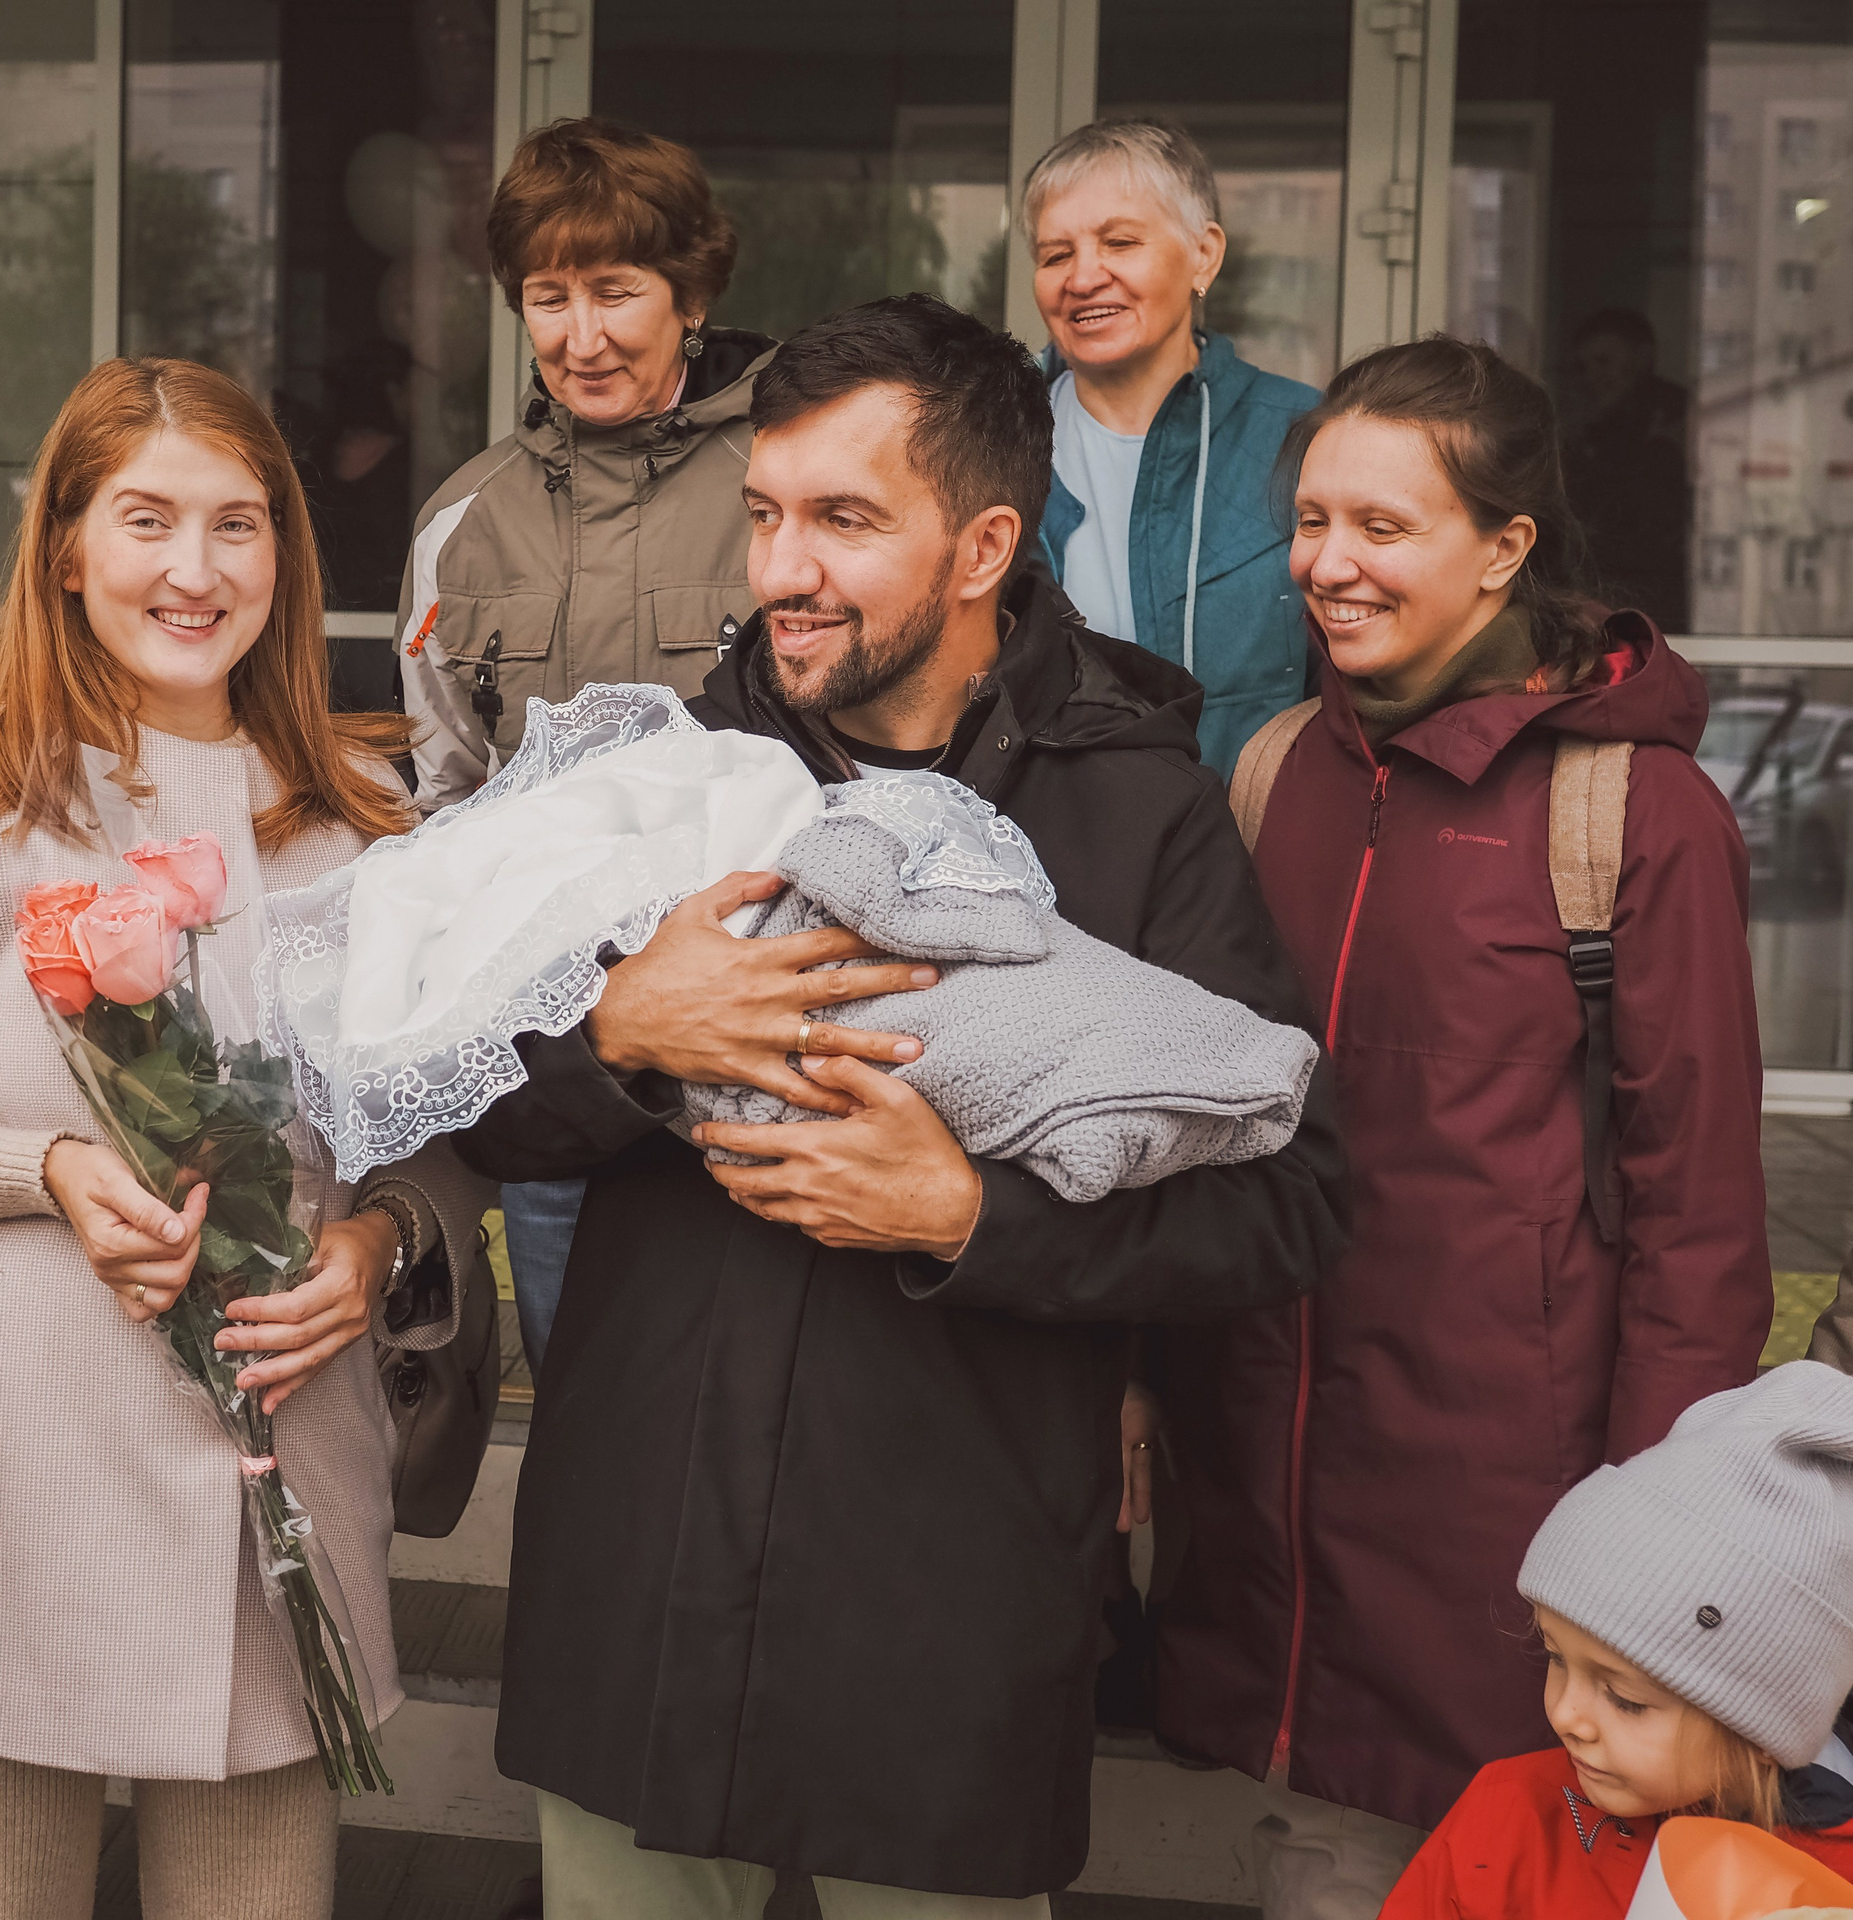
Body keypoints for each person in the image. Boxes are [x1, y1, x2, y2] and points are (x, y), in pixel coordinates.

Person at [457, 293, 1349, 1916]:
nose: (782, 569)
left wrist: (970, 1218)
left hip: (941, 1629)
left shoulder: (1137, 800)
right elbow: (467, 1108)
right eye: (766, 514)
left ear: (984, 543)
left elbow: (1285, 1201)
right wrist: (624, 1035)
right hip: (642, 1585)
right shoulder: (651, 778)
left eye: (845, 521)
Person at [0, 357, 493, 1920]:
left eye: (238, 523)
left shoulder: (354, 808)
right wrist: (46, 1171)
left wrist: (378, 1241)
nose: (195, 570)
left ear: (285, 551)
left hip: (279, 1465)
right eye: (147, 520)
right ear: (66, 545)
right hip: (17, 1471)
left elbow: (442, 1117)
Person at [1155, 336, 1771, 1920]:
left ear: (1506, 549)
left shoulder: (1634, 811)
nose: (1327, 567)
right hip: (1282, 1537)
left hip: (1515, 1558)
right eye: (1309, 523)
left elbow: (1699, 1227)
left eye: (1382, 527)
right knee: (1315, 1866)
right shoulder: (1277, 771)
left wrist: (1652, 1579)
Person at [396, 116, 774, 1372]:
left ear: (691, 293)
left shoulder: (789, 482)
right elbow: (445, 786)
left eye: (616, 290)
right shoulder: (463, 523)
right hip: (561, 1055)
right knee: (582, 1393)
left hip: (762, 1041)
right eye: (548, 296)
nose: (581, 333)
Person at [1383, 1361, 1853, 1917]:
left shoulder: (1830, 1883)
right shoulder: (1507, 1815)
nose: (1565, 1715)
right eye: (1555, 1658)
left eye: (1626, 1699)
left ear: (1763, 1727)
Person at [1023, 118, 1319, 777]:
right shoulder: (993, 441)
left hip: (1248, 847)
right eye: (1054, 254)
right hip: (1044, 853)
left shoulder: (1306, 434)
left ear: (1204, 255)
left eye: (1120, 242)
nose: (1083, 277)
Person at [1562, 307, 1689, 633]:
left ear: (1643, 357)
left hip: (1665, 590)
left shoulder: (1679, 418)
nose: (1595, 376)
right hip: (1608, 589)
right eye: (1585, 366)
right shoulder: (1585, 427)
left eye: (1605, 361)